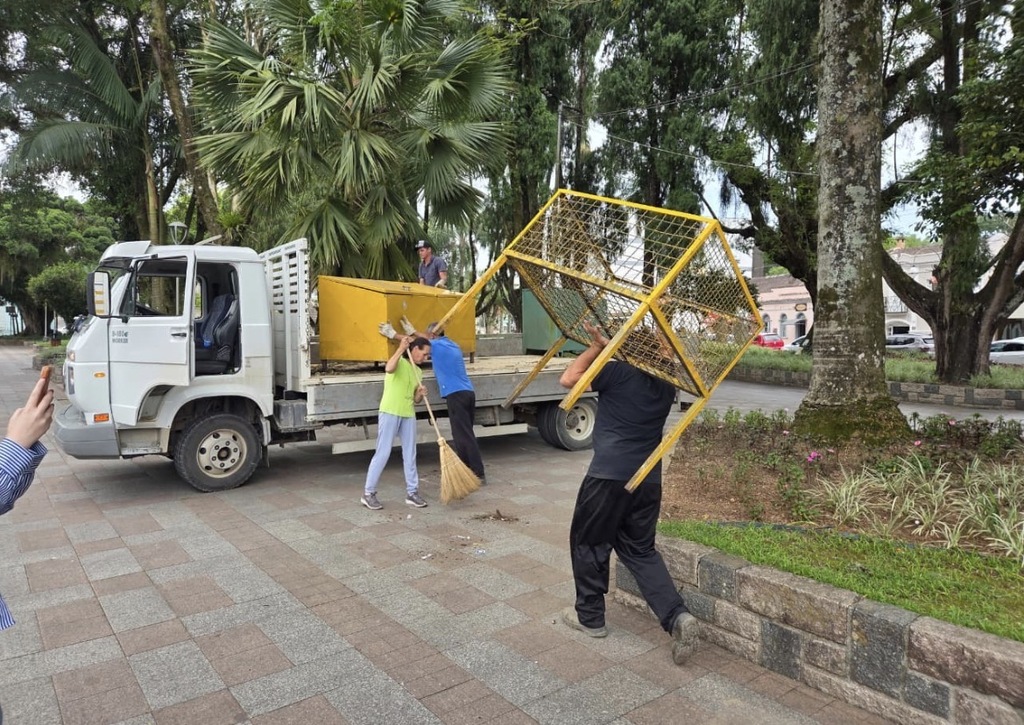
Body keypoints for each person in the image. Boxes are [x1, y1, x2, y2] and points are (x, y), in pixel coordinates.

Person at [558, 321, 698, 665]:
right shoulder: (667, 384)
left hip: (609, 475)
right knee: (640, 549)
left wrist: (596, 347)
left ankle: (589, 618)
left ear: (625, 348)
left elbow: (569, 378)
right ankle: (676, 615)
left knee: (589, 541)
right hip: (648, 478)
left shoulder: (617, 372)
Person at [401, 317, 485, 483]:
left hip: (457, 395)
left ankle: (478, 473)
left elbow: (416, 341)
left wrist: (397, 333)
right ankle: (467, 469)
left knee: (463, 436)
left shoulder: (437, 345)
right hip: (467, 393)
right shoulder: (452, 345)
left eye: (427, 335)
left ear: (432, 335)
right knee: (463, 434)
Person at [361, 335, 431, 510]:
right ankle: (368, 493)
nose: (426, 358)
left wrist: (420, 394)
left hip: (408, 414)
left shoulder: (419, 372)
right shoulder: (399, 362)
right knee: (383, 452)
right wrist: (400, 348)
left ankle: (412, 492)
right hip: (390, 411)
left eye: (427, 355)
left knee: (410, 453)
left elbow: (415, 400)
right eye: (424, 353)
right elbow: (388, 368)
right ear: (415, 350)